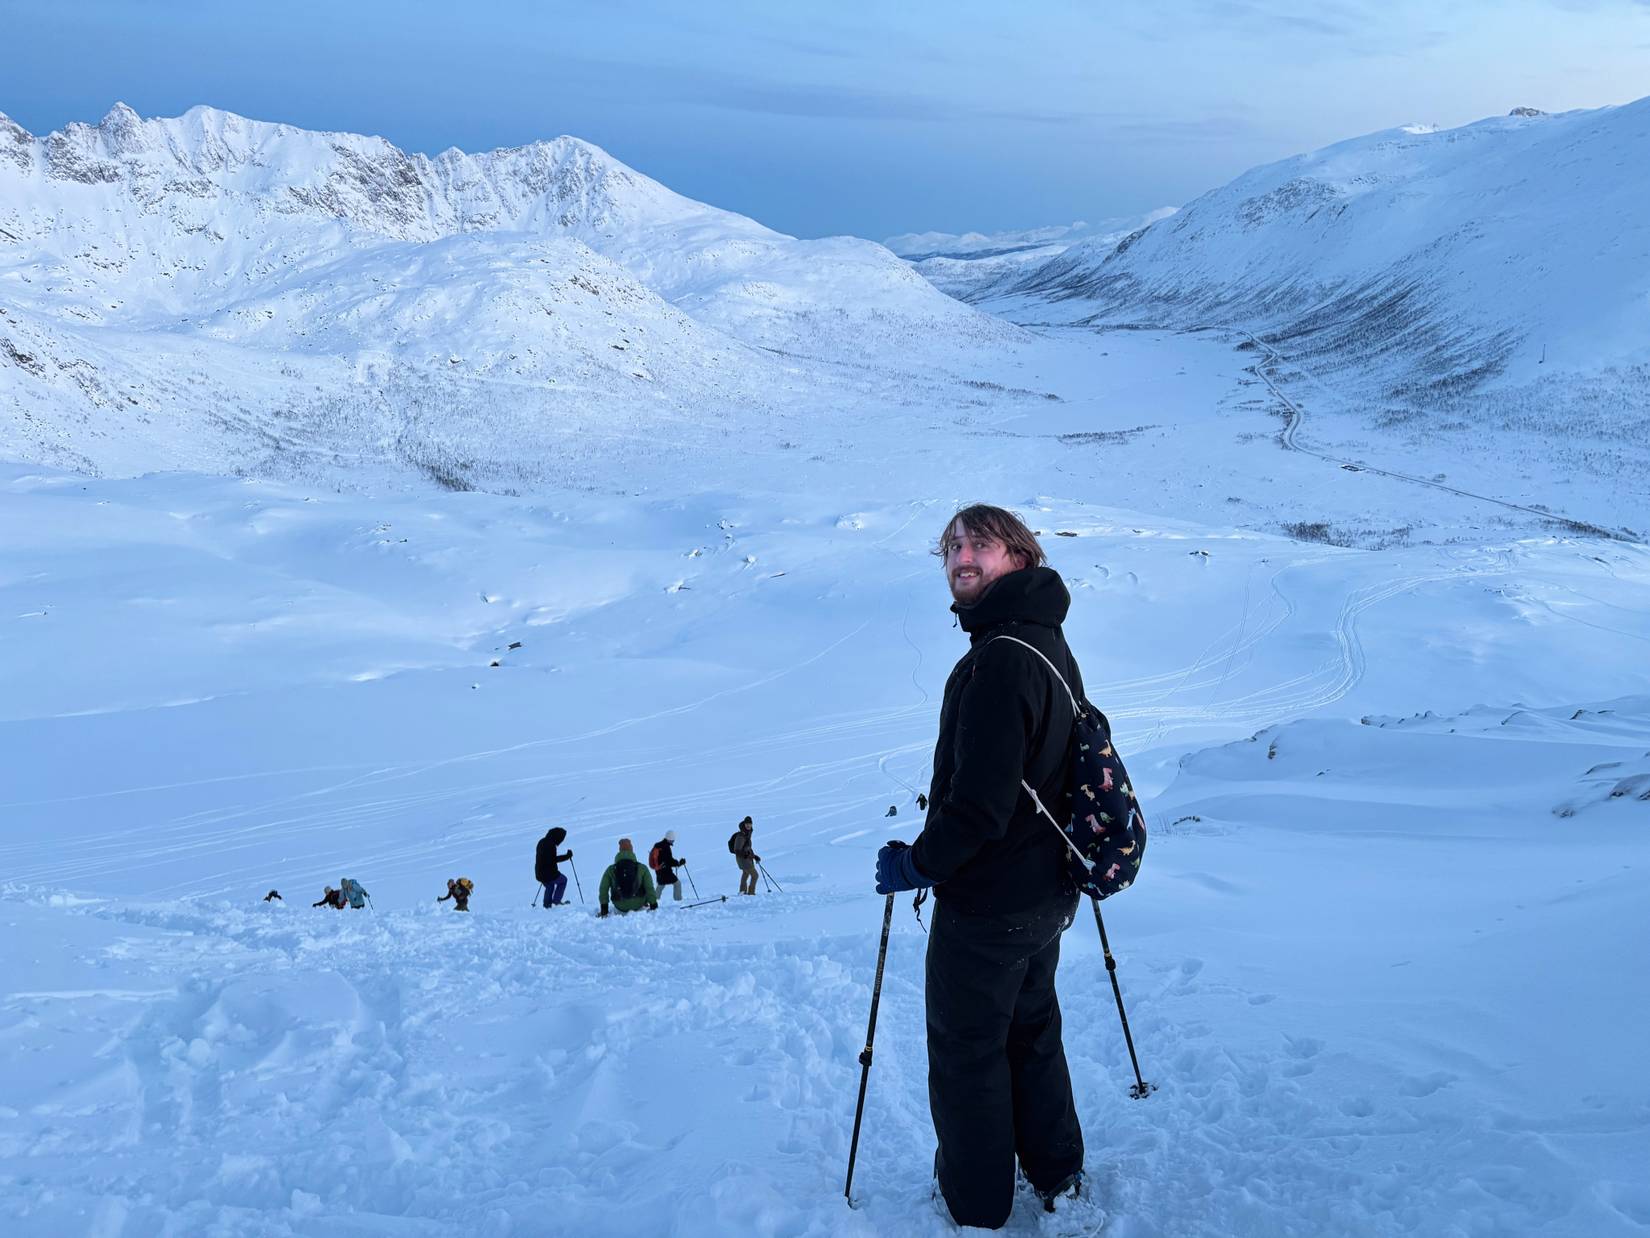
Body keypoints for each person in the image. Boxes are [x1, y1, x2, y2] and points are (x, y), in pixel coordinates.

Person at [875, 503, 1090, 1229]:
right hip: (1043, 893)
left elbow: (978, 809)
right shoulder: (1044, 640)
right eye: (953, 547)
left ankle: (976, 1205)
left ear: (1019, 558)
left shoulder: (1000, 658)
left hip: (991, 901)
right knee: (1031, 1035)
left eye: (981, 545)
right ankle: (1058, 1173)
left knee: (968, 1053)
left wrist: (916, 864)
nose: (962, 558)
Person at [598, 838, 658, 916]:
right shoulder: (642, 868)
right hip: (638, 903)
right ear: (631, 850)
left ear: (620, 850)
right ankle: (645, 903)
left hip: (619, 905)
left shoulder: (610, 869)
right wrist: (653, 905)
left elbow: (603, 889)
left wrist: (604, 909)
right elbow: (649, 887)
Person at [536, 826, 573, 907]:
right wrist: (567, 856)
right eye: (561, 839)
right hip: (549, 873)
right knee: (563, 880)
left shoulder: (541, 841)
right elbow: (553, 860)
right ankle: (556, 903)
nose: (560, 841)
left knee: (549, 885)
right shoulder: (551, 845)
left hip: (539, 872)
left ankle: (547, 905)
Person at [649, 831, 687, 902]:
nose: (673, 841)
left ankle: (653, 901)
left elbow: (666, 859)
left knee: (661, 885)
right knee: (677, 883)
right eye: (673, 840)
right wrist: (678, 863)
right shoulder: (665, 847)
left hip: (659, 870)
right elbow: (669, 861)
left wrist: (676, 863)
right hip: (665, 871)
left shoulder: (658, 845)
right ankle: (678, 901)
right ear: (670, 839)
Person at [729, 816, 760, 896]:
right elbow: (737, 850)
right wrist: (745, 855)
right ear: (744, 824)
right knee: (755, 875)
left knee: (745, 874)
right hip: (743, 859)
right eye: (747, 824)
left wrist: (754, 856)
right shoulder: (741, 835)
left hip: (745, 859)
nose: (748, 825)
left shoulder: (747, 833)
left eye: (750, 824)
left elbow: (747, 848)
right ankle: (751, 893)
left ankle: (742, 892)